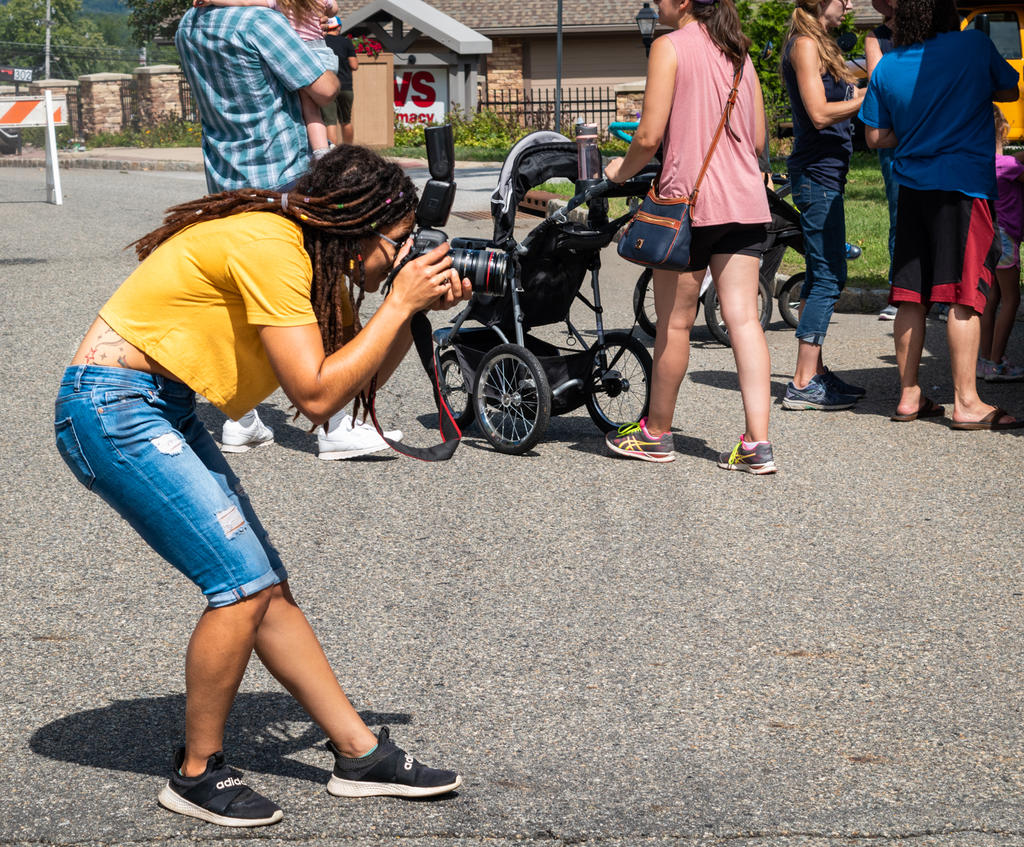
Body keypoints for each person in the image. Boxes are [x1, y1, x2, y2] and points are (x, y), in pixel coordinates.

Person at [53, 146, 473, 826]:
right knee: (239, 586)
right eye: (399, 243)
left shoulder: (315, 263)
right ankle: (195, 774)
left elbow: (348, 388)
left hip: (161, 404)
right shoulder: (273, 247)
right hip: (111, 404)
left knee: (265, 586)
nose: (403, 255)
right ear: (361, 228)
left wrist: (408, 312)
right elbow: (311, 396)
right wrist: (398, 301)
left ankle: (359, 753)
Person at [177, 3, 394, 458]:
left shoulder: (189, 25)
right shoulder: (260, 23)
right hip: (284, 178)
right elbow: (326, 86)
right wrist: (320, 42)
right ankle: (337, 425)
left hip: (227, 181)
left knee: (244, 302)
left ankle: (240, 419)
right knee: (323, 291)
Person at [604, 0, 776, 473]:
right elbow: (760, 140)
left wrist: (619, 171)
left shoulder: (669, 47)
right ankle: (757, 444)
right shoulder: (740, 54)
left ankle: (657, 433)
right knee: (744, 321)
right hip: (744, 204)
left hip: (689, 207)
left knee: (675, 324)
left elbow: (647, 137)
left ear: (682, 2)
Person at [860, 0, 1024, 429]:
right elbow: (1010, 90)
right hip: (963, 190)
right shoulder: (973, 45)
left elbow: (876, 136)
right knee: (963, 296)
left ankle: (909, 394)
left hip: (913, 188)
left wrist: (917, 129)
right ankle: (967, 402)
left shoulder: (888, 65)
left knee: (911, 296)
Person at [779, 0, 867, 411]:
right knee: (831, 274)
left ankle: (813, 370)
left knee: (822, 271)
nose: (849, 3)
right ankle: (801, 383)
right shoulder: (804, 46)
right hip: (815, 177)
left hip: (826, 175)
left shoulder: (821, 44)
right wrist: (870, 97)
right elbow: (817, 113)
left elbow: (863, 76)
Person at [193, 0, 341, 161]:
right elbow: (334, 9)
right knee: (313, 111)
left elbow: (244, 2)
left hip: (301, 52)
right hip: (324, 53)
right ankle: (322, 148)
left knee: (310, 110)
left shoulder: (279, 2)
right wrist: (322, 14)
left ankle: (321, 153)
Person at [979, 105, 1024, 381]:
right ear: (1003, 132)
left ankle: (985, 359)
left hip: (989, 238)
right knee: (1011, 299)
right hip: (1007, 241)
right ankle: (996, 363)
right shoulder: (1010, 167)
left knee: (990, 298)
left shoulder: (982, 165)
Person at [864, 0, 899, 322]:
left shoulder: (936, 30)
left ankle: (940, 291)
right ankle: (899, 291)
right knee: (900, 214)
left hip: (933, 134)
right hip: (896, 138)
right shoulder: (877, 37)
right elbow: (879, 83)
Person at [325, 28, 358, 146]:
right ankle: (348, 151)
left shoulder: (322, 41)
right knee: (346, 121)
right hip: (345, 86)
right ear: (338, 27)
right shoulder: (346, 42)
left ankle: (331, 154)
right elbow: (354, 65)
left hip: (327, 86)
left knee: (330, 122)